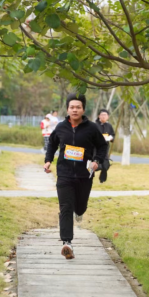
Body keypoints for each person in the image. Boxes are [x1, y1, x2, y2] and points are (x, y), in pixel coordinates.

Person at [44, 93, 108, 260]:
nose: (75, 110)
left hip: (84, 175)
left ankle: (79, 211)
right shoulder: (60, 127)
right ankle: (67, 243)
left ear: (83, 109)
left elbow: (102, 146)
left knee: (80, 208)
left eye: (78, 107)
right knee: (65, 207)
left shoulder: (92, 128)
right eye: (72, 107)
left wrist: (97, 161)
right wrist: (48, 161)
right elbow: (52, 144)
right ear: (67, 109)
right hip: (64, 174)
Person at [95, 109, 115, 183]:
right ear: (99, 116)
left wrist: (110, 138)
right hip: (95, 148)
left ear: (108, 117)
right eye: (102, 115)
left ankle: (102, 178)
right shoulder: (95, 125)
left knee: (106, 164)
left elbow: (113, 134)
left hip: (105, 147)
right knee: (95, 163)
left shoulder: (109, 126)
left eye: (105, 115)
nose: (103, 116)